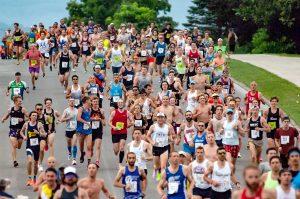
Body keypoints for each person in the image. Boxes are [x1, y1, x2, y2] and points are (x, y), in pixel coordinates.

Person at [20, 111, 46, 186]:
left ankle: (34, 177)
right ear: (30, 116)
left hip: (37, 146)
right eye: (33, 115)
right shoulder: (26, 124)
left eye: (36, 115)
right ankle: (29, 178)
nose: (35, 116)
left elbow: (44, 134)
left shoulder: (39, 124)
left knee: (35, 164)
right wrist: (24, 136)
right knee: (30, 161)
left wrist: (38, 133)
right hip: (29, 146)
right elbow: (21, 132)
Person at [1, 95, 28, 167]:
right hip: (13, 129)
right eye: (19, 101)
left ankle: (17, 147)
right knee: (14, 145)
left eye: (21, 101)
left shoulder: (23, 110)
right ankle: (14, 161)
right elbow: (6, 116)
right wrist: (3, 119)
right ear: (15, 102)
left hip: (21, 130)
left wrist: (23, 120)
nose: (20, 102)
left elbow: (29, 117)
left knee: (19, 146)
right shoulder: (10, 110)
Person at [147, 112, 175, 181]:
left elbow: (170, 135)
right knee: (157, 165)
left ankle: (162, 179)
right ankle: (156, 170)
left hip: (164, 147)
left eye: (161, 117)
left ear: (164, 119)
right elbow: (148, 136)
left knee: (163, 166)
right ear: (156, 118)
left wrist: (171, 138)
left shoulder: (168, 127)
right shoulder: (153, 126)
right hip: (156, 147)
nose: (160, 119)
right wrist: (152, 142)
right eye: (159, 117)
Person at [109, 99, 133, 167]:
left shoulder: (127, 112)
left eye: (122, 102)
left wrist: (131, 123)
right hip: (115, 132)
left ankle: (120, 163)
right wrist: (113, 127)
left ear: (124, 104)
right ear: (117, 104)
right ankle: (118, 152)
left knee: (122, 147)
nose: (120, 104)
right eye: (119, 103)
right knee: (116, 151)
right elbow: (109, 122)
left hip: (123, 132)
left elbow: (132, 121)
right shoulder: (114, 112)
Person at [59, 98, 78, 165]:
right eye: (70, 101)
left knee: (74, 144)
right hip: (68, 129)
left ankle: (74, 159)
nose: (72, 102)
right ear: (68, 102)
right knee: (69, 143)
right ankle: (70, 152)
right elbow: (61, 120)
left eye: (73, 101)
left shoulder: (77, 110)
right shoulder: (66, 111)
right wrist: (69, 118)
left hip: (75, 129)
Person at [76, 96, 92, 165]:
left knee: (89, 146)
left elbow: (90, 118)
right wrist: (85, 122)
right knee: (81, 146)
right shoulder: (81, 109)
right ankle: (82, 153)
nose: (90, 101)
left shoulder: (90, 109)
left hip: (88, 130)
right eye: (89, 100)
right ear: (86, 101)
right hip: (81, 130)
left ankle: (89, 162)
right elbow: (78, 118)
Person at [90, 96, 105, 167]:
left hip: (99, 130)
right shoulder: (89, 110)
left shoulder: (101, 111)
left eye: (96, 102)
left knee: (98, 146)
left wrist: (101, 118)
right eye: (94, 102)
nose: (95, 103)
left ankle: (97, 161)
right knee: (91, 147)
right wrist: (94, 119)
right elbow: (87, 119)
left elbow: (104, 123)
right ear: (92, 102)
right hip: (91, 131)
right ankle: (90, 155)